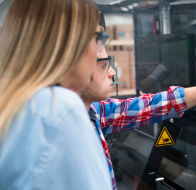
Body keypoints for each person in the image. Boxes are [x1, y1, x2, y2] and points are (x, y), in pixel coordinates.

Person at [81, 27, 196, 190]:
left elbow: (151, 106)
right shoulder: (68, 134)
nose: (112, 72)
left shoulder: (96, 112)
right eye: (104, 65)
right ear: (76, 70)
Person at [0, 0, 113, 189]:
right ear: (68, 44)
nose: (97, 51)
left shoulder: (17, 102)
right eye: (97, 39)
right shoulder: (59, 107)